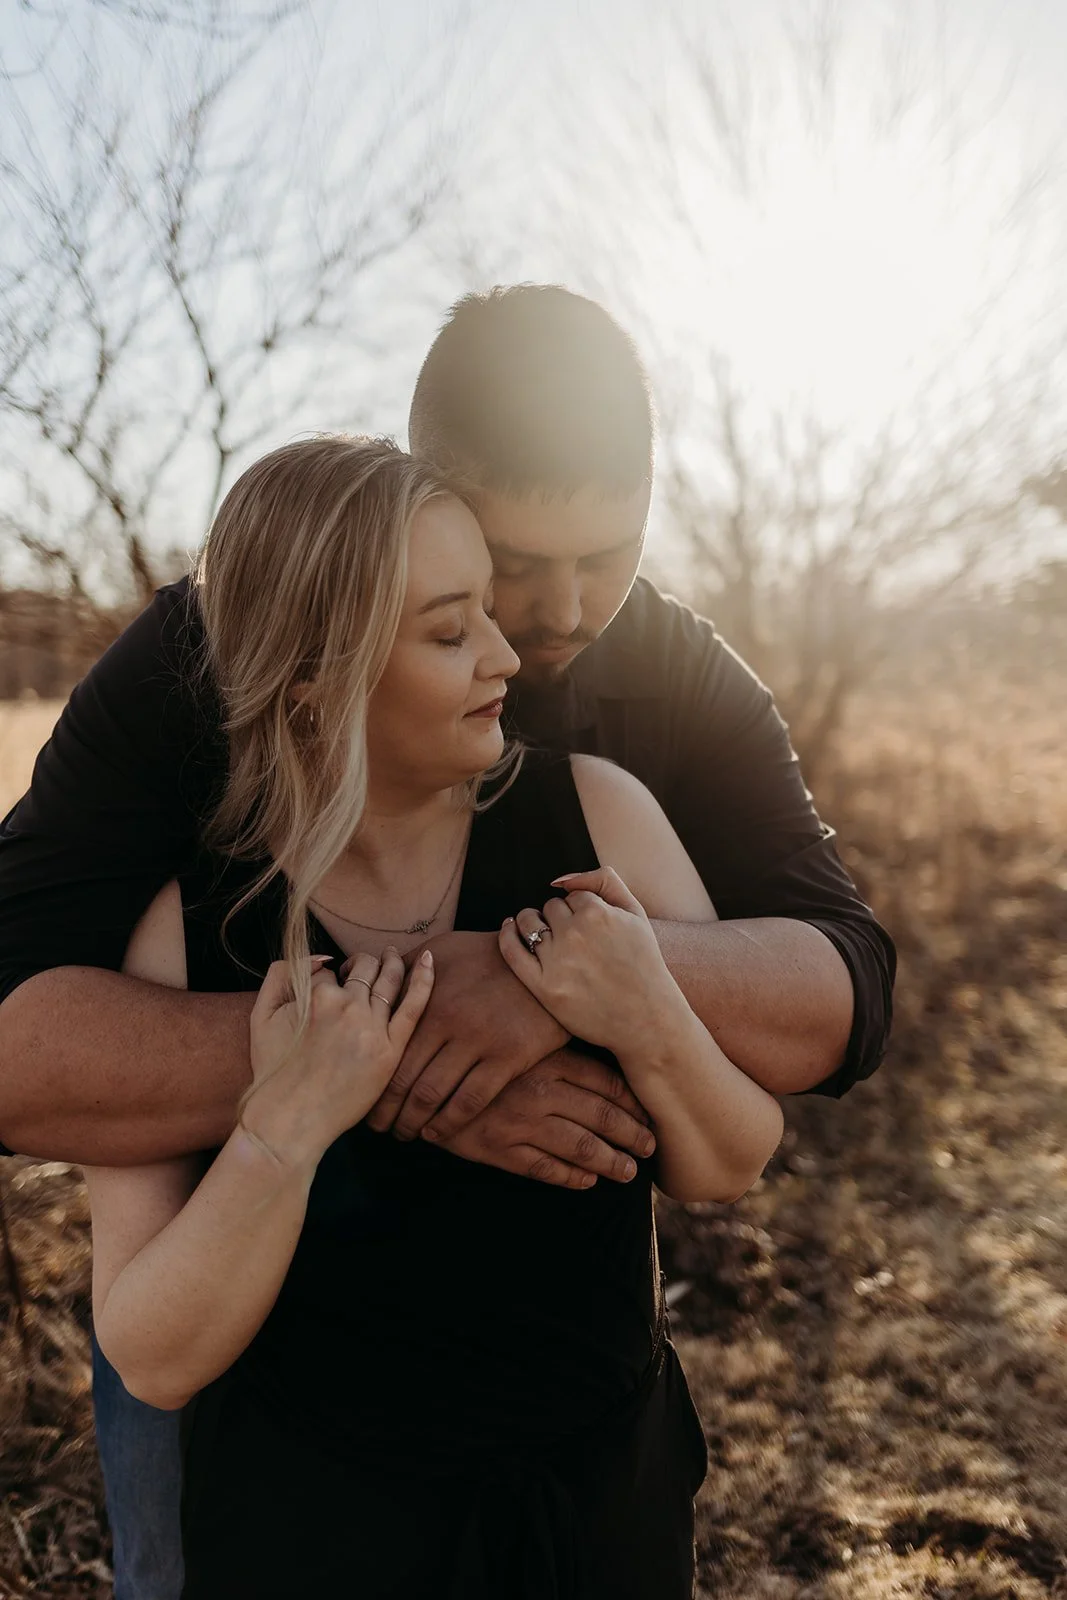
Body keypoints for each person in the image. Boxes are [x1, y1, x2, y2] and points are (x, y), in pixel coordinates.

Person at [0, 285, 895, 1599]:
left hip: (563, 1421)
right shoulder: (211, 658)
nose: (557, 612)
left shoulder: (663, 693)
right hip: (268, 1379)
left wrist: (563, 975)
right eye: (511, 564)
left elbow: (842, 990)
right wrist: (403, 1047)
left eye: (609, 549)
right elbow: (20, 1049)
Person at [85, 432, 784, 1598]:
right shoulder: (189, 925)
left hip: (591, 1506)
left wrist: (646, 1008)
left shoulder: (599, 820)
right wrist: (286, 1128)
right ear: (316, 678)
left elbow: (727, 1163)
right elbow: (151, 1356)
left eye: (488, 618)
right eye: (450, 631)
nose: (507, 655)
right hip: (309, 1528)